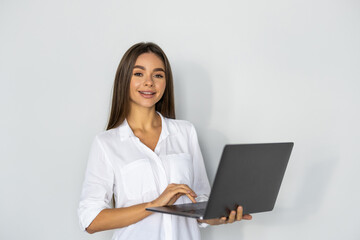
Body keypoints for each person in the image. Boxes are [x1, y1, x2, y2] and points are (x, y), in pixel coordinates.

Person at [78, 42, 252, 240]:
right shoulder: (107, 143)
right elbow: (90, 220)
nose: (149, 82)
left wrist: (219, 216)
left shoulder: (185, 132)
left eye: (158, 75)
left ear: (165, 82)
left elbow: (201, 201)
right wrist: (156, 204)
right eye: (139, 74)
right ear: (124, 79)